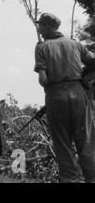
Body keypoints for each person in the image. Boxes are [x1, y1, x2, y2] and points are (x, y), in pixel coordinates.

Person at [34, 12, 95, 182]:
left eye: (40, 25)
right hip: (79, 94)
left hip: (55, 96)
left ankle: (70, 180)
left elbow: (43, 79)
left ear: (47, 27)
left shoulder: (41, 47)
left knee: (62, 145)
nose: (39, 28)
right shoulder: (75, 44)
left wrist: (54, 88)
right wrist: (84, 80)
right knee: (86, 141)